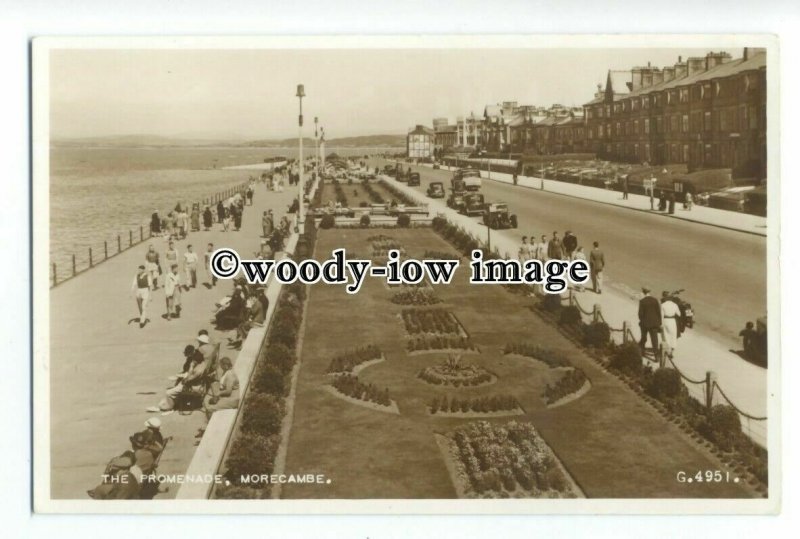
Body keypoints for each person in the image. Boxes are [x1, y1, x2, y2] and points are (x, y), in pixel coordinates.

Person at [199, 357, 240, 433]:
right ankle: (209, 423)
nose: (220, 367)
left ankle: (210, 428)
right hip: (230, 397)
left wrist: (219, 393)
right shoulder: (227, 371)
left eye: (221, 365)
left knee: (209, 408)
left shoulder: (230, 375)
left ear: (225, 365)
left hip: (233, 399)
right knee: (209, 399)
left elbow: (228, 391)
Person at [638, 287, 662, 356]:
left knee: (644, 338)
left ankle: (642, 352)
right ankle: (656, 356)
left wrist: (642, 321)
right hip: (654, 324)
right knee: (655, 340)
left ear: (643, 292)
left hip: (645, 324)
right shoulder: (655, 300)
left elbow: (640, 314)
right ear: (649, 292)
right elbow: (658, 313)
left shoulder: (642, 301)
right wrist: (659, 323)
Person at [660, 291, 681, 360]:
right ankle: (672, 352)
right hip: (672, 321)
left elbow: (661, 315)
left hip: (665, 320)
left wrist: (661, 324)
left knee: (666, 336)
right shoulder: (675, 305)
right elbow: (679, 314)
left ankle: (667, 351)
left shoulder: (663, 305)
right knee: (673, 336)